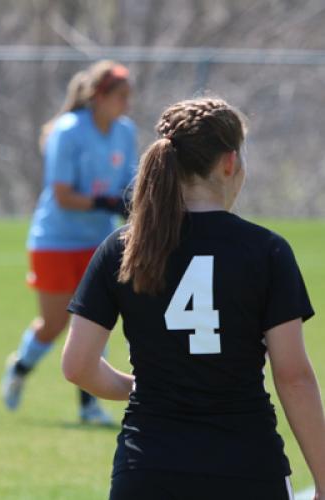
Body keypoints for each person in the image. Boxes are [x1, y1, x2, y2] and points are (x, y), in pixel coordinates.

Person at [62, 97, 325, 499]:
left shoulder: (123, 248)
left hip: (148, 469)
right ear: (229, 162)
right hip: (247, 468)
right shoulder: (266, 251)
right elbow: (293, 376)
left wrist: (138, 387)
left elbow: (78, 365)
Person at [0, 60, 138, 424]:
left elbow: (129, 185)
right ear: (99, 96)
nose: (127, 103)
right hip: (56, 240)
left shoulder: (125, 131)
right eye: (121, 96)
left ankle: (89, 405)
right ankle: (20, 367)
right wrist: (107, 202)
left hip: (99, 241)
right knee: (54, 323)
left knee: (96, 320)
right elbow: (62, 195)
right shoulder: (69, 130)